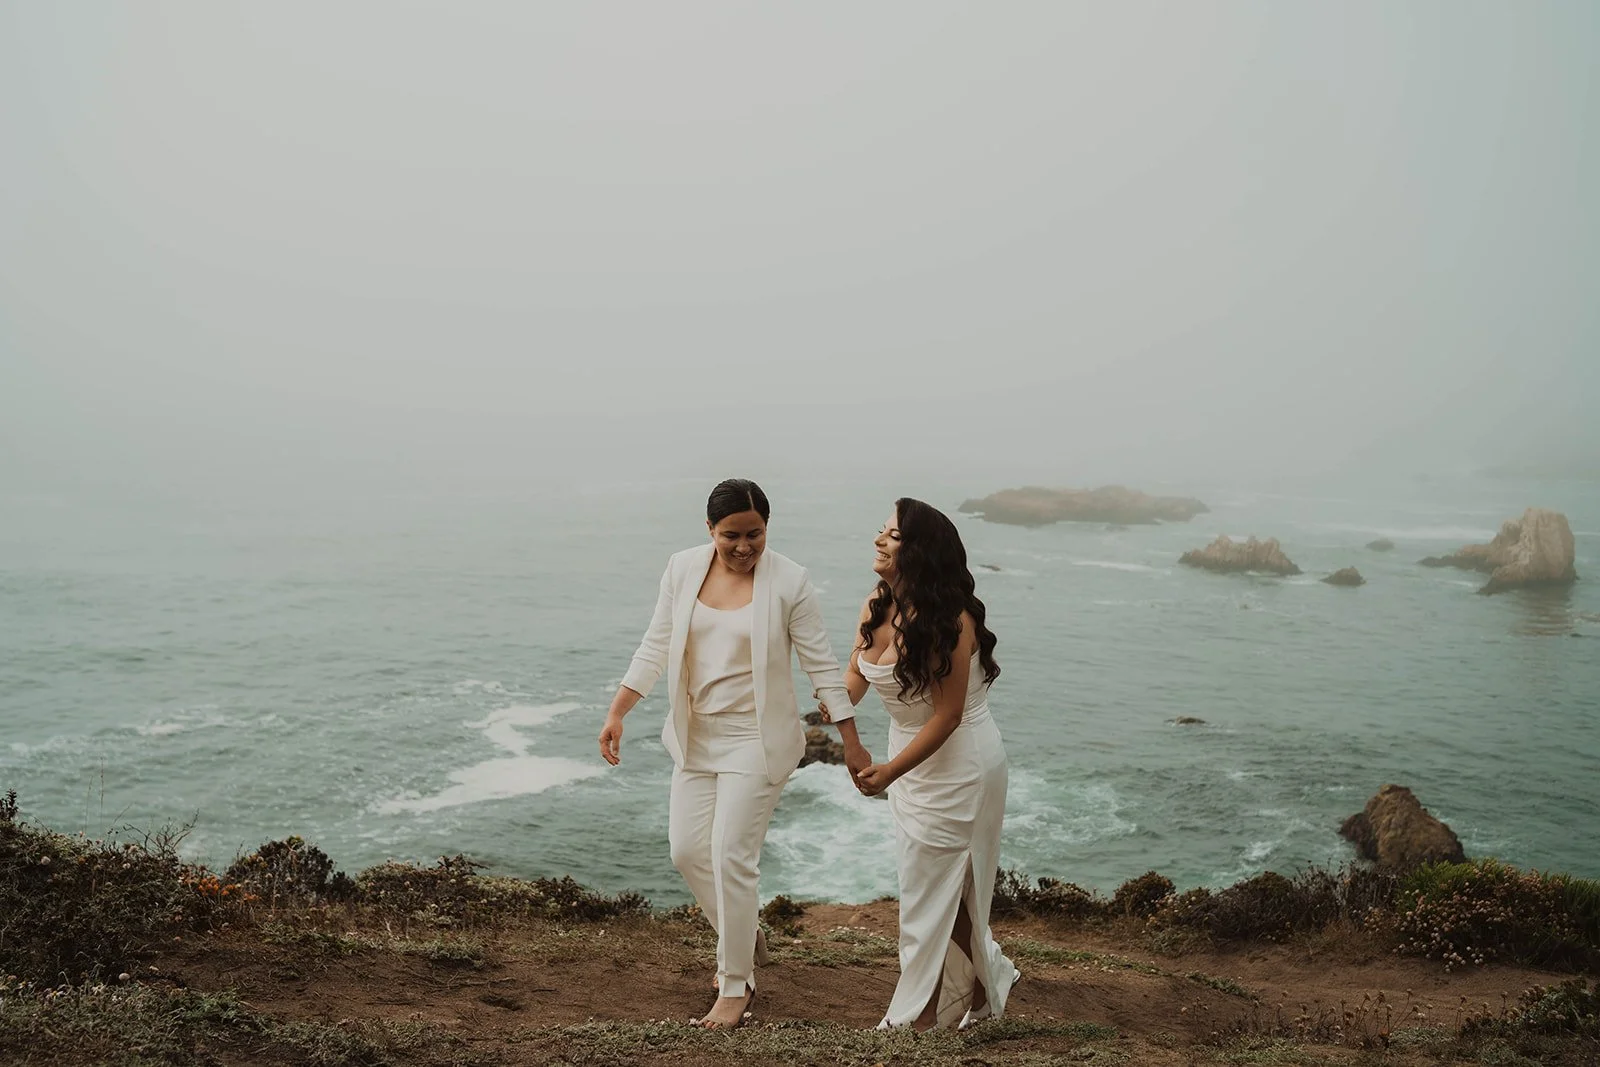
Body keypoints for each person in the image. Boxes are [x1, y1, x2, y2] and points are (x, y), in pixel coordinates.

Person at [598, 478, 869, 1029]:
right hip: (697, 734)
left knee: (730, 856)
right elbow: (656, 642)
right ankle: (744, 936)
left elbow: (821, 665)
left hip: (758, 738)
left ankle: (734, 982)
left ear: (768, 528)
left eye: (756, 534)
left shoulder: (791, 581)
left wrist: (851, 740)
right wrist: (618, 711)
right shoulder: (681, 568)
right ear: (709, 530)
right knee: (686, 851)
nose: (744, 547)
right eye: (731, 536)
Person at [825, 497, 1018, 1030]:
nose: (879, 540)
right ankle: (984, 979)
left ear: (920, 551)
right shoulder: (877, 604)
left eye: (893, 535)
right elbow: (854, 681)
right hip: (911, 759)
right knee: (943, 890)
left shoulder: (950, 621)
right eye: (881, 530)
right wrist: (831, 709)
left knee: (926, 891)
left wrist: (889, 772)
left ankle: (921, 1016)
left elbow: (949, 715)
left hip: (960, 764)